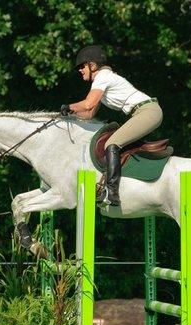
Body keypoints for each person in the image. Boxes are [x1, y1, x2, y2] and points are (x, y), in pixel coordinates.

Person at [60, 45, 163, 206]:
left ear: (92, 65)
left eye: (82, 66)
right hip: (144, 112)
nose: (80, 70)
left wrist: (69, 106)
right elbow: (89, 114)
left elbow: (87, 104)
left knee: (111, 143)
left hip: (147, 111)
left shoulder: (102, 76)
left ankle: (112, 192)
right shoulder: (101, 82)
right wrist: (66, 116)